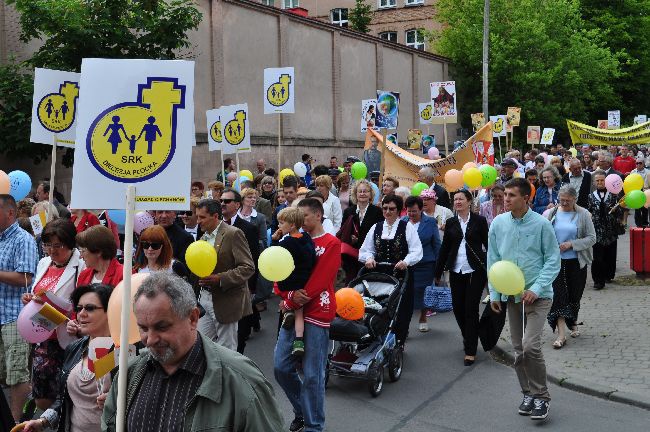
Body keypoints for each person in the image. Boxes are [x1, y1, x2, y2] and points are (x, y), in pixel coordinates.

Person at [102, 272, 284, 431]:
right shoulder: (130, 375)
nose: (150, 339)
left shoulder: (241, 380)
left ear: (193, 318)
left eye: (162, 327)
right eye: (143, 328)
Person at [488, 178, 561, 421]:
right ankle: (527, 393)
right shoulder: (498, 224)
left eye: (510, 195)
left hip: (538, 297)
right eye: (504, 194)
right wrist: (495, 294)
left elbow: (553, 259)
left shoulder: (541, 224)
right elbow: (494, 260)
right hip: (512, 297)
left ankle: (542, 397)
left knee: (531, 346)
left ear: (525, 198)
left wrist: (537, 288)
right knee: (519, 351)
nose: (505, 199)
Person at [274, 198, 340, 432]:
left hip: (317, 312)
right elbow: (278, 270)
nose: (301, 220)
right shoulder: (290, 240)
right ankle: (303, 410)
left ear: (318, 215)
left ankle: (314, 426)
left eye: (305, 216)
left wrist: (291, 298)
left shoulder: (331, 243)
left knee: (313, 374)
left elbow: (322, 279)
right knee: (281, 367)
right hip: (293, 311)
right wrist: (283, 292)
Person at [23, 284, 115, 432]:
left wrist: (118, 400)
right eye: (79, 309)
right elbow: (63, 399)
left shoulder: (125, 351)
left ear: (110, 310)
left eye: (90, 308)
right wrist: (42, 421)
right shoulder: (75, 348)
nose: (81, 314)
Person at [20, 218, 85, 413]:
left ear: (70, 243)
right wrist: (30, 299)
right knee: (42, 395)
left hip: (69, 337)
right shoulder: (44, 263)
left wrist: (51, 303)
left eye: (58, 245)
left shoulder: (80, 265)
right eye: (48, 245)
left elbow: (81, 303)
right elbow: (38, 292)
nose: (52, 250)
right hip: (43, 337)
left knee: (70, 392)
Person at [359, 194, 423, 347]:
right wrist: (369, 258)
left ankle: (398, 343)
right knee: (377, 307)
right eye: (385, 208)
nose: (388, 212)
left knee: (401, 310)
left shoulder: (407, 227)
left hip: (400, 274)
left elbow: (416, 251)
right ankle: (375, 338)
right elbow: (365, 250)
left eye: (392, 209)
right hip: (379, 275)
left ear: (399, 210)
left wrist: (406, 261)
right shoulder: (376, 227)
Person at [434, 190, 488, 365]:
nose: (457, 202)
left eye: (461, 199)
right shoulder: (450, 223)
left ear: (469, 201)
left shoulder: (479, 221)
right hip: (456, 270)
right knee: (458, 308)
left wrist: (490, 268)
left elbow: (488, 245)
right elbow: (445, 249)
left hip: (475, 270)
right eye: (455, 199)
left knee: (471, 309)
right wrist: (437, 271)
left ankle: (470, 349)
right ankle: (469, 335)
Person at [196, 199, 254, 351]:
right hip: (205, 299)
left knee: (226, 350)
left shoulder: (233, 233)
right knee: (201, 347)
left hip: (226, 301)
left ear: (215, 216)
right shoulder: (203, 238)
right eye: (197, 217)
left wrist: (220, 278)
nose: (198, 221)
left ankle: (228, 375)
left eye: (202, 217)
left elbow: (248, 267)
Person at [0, 194, 39, 420]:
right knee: (4, 373)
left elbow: (25, 278)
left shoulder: (22, 239)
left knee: (16, 375)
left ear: (10, 213)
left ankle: (16, 422)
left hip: (15, 316)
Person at [545, 185, 596, 348]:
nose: (564, 203)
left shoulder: (583, 214)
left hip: (576, 261)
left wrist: (572, 244)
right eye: (561, 200)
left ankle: (572, 322)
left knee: (575, 296)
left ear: (575, 199)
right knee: (559, 297)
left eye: (567, 200)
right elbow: (544, 233)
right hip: (556, 262)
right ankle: (561, 335)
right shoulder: (553, 213)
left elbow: (592, 238)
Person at [220, 189, 261, 353]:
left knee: (240, 333)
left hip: (240, 287)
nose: (222, 203)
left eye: (227, 201)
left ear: (237, 205)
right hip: (218, 286)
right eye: (221, 200)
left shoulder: (248, 228)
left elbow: (253, 260)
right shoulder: (213, 225)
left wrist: (251, 288)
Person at [274, 207, 316, 357]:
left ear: (291, 225)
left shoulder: (286, 243)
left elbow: (276, 259)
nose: (278, 226)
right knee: (300, 313)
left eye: (281, 223)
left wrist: (275, 240)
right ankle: (299, 340)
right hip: (304, 281)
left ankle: (287, 311)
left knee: (292, 306)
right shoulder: (307, 239)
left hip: (290, 282)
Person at [403, 196, 440, 332]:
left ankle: (423, 317)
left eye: (414, 211)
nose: (411, 214)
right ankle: (404, 323)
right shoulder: (403, 221)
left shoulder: (430, 222)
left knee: (424, 292)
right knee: (406, 293)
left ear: (420, 210)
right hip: (407, 263)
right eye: (409, 211)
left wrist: (439, 267)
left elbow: (436, 244)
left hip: (425, 263)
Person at [339, 179, 383, 284]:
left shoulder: (377, 212)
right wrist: (350, 238)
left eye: (365, 191)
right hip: (352, 256)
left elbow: (379, 233)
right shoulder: (348, 211)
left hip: (370, 257)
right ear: (355, 193)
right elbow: (343, 232)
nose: (363, 194)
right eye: (360, 191)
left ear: (370, 194)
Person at [586, 170, 624, 290]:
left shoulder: (613, 195)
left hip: (611, 230)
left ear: (606, 181)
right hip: (597, 231)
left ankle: (608, 275)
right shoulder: (591, 196)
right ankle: (598, 280)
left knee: (610, 255)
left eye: (602, 180)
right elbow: (588, 211)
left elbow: (621, 212)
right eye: (597, 180)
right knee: (597, 257)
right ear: (594, 182)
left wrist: (617, 211)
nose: (600, 182)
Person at [631, 157, 650, 227]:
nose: (638, 165)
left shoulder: (648, 172)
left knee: (645, 208)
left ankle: (645, 222)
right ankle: (638, 224)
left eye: (640, 163)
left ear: (643, 164)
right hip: (636, 191)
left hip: (645, 191)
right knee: (637, 208)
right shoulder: (633, 172)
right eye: (637, 163)